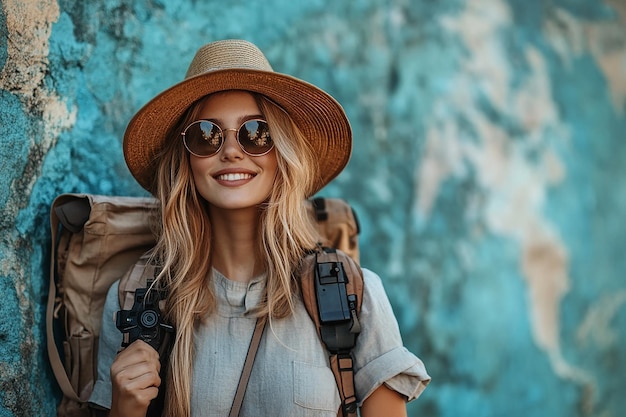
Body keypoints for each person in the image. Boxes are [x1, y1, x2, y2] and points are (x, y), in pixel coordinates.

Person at [89, 39, 430, 417]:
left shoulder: (354, 297)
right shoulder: (135, 303)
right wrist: (124, 409)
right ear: (186, 160)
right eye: (206, 135)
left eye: (256, 133)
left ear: (282, 152)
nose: (232, 151)